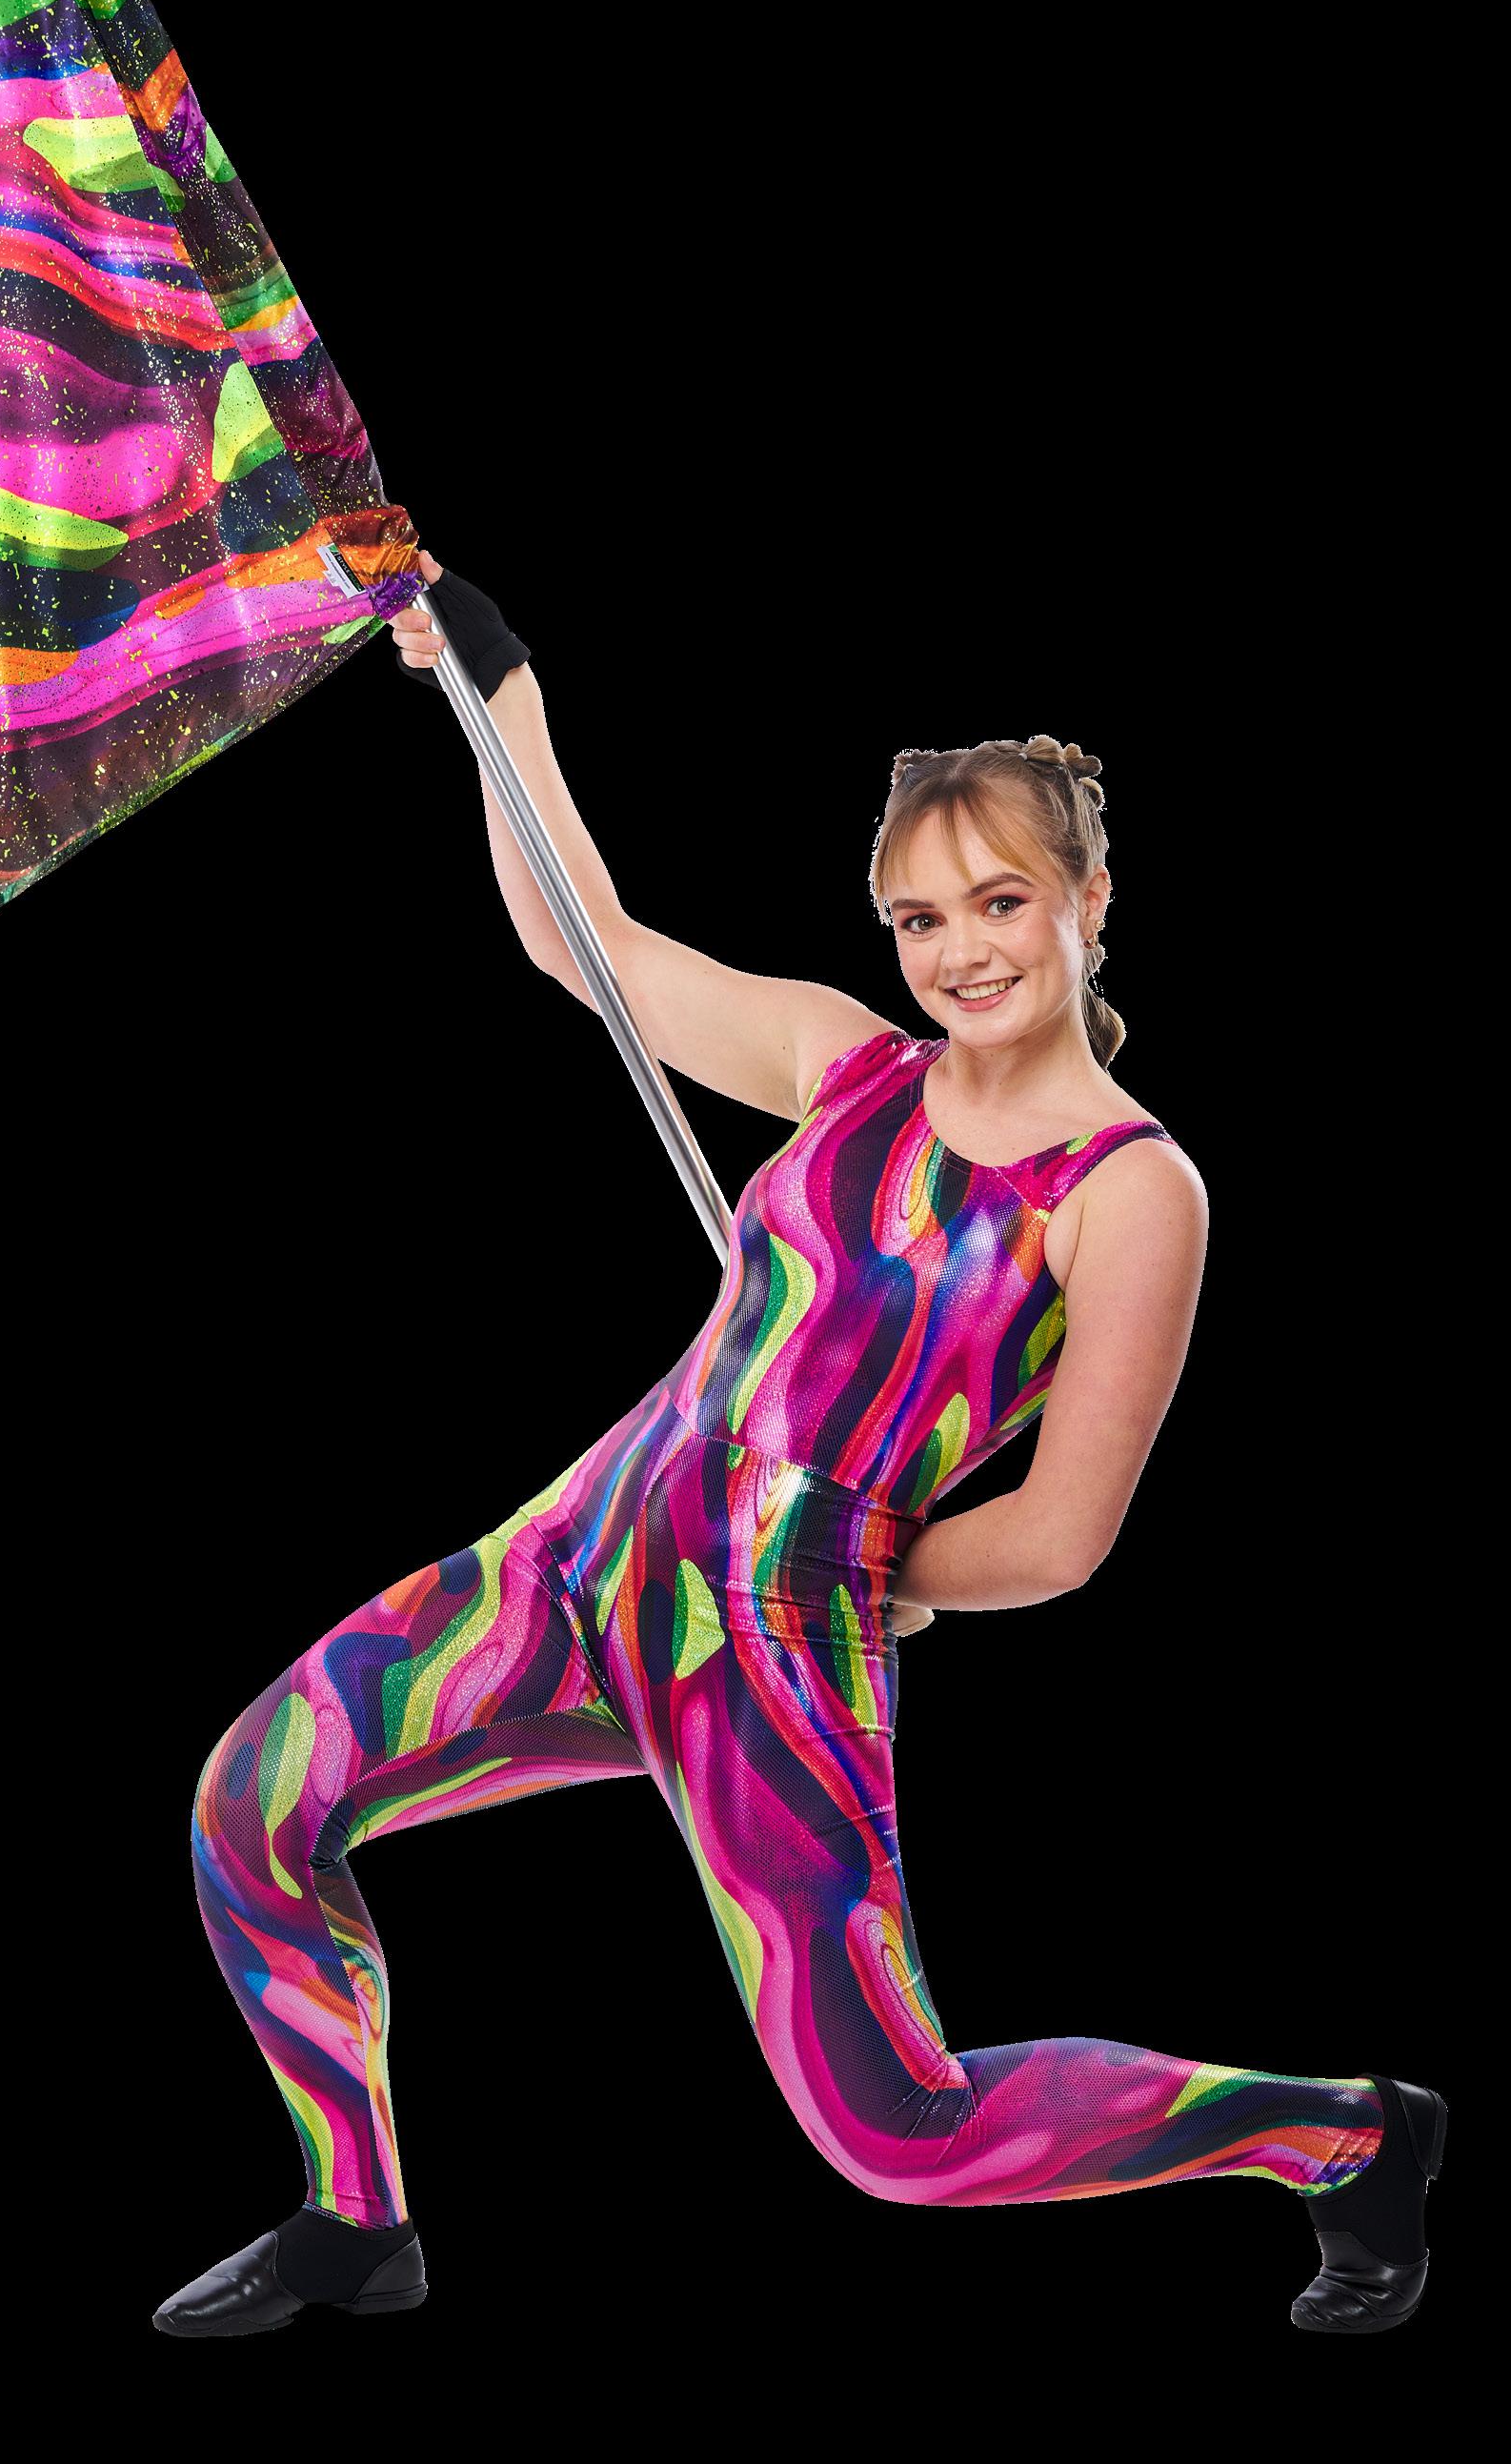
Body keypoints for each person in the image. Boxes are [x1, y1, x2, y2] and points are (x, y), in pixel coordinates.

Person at [155, 542, 1444, 2340]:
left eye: (999, 902)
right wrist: (492, 674)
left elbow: (1064, 1534)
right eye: (919, 919)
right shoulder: (848, 1067)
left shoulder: (1132, 1189)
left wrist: (873, 1572)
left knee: (902, 2131)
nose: (960, 952)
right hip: (583, 1553)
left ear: (1090, 896)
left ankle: (1347, 2136)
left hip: (769, 1650)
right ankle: (353, 2221)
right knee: (254, 1803)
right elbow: (585, 938)